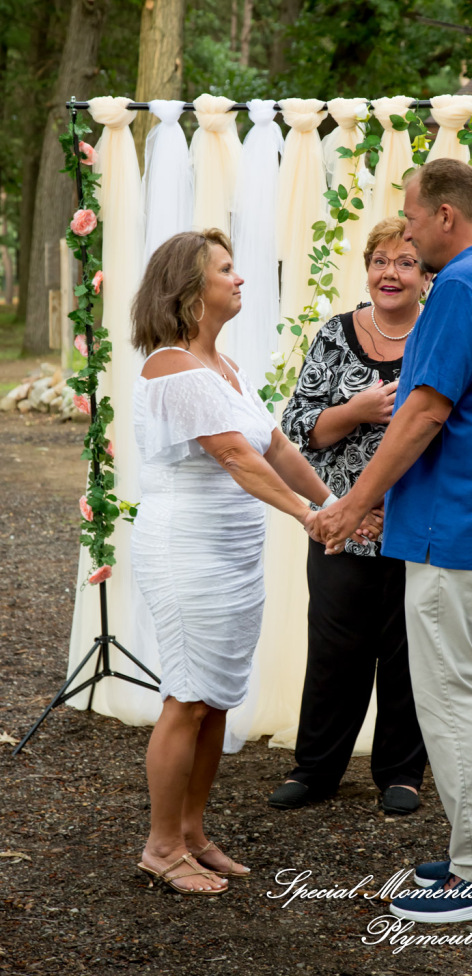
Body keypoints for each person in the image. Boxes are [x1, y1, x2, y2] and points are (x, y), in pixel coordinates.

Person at [314, 159, 472, 923]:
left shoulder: (462, 287)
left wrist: (355, 502)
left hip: (456, 521)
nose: (406, 237)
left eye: (411, 221)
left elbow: (422, 411)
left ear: (445, 215)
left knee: (449, 698)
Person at [130, 228, 349, 896]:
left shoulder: (224, 366)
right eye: (226, 269)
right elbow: (233, 455)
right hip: (186, 551)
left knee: (217, 699)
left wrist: (335, 503)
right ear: (189, 287)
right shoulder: (171, 367)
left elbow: (275, 446)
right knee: (187, 697)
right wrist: (308, 518)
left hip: (232, 555)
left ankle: (192, 833)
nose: (240, 278)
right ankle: (161, 846)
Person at [268, 217, 429, 815]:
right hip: (340, 525)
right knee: (335, 651)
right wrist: (356, 410)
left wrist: (387, 507)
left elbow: (449, 431)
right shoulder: (336, 335)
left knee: (407, 653)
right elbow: (297, 429)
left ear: (426, 275)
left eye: (406, 262)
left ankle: (402, 773)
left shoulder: (438, 335)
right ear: (366, 269)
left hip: (414, 526)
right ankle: (315, 770)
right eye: (379, 260)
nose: (391, 273)